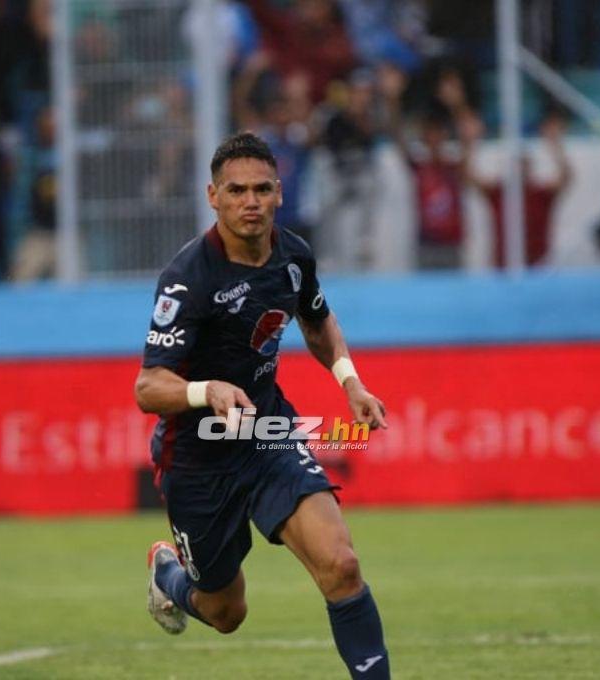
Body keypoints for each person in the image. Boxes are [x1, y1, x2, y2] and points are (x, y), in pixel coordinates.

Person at [135, 133, 391, 679]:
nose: (250, 201)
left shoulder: (293, 256)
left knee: (341, 567)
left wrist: (350, 381)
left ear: (279, 193)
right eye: (237, 190)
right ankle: (168, 577)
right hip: (197, 459)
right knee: (226, 612)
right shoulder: (188, 279)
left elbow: (317, 319)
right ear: (213, 196)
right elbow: (148, 387)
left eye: (262, 189)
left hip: (266, 434)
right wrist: (208, 391)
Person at [463, 112, 573, 268]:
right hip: (503, 268)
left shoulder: (540, 193)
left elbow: (566, 178)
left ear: (530, 168)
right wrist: (471, 142)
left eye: (523, 165)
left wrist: (555, 145)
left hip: (538, 266)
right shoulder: (499, 192)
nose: (520, 169)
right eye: (517, 165)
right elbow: (468, 176)